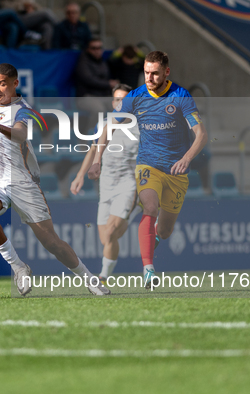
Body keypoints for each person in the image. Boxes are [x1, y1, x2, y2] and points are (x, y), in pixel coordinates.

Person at [0, 63, 111, 296]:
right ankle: (18, 267)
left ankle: (89, 278)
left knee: (51, 243)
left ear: (15, 84)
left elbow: (20, 134)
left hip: (21, 181)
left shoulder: (23, 109)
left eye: (2, 84)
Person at [90, 51, 208, 289]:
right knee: (150, 206)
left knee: (164, 231)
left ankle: (154, 234)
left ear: (166, 72)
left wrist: (186, 158)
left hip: (176, 171)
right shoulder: (135, 97)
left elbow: (201, 134)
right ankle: (148, 270)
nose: (150, 78)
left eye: (155, 73)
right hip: (147, 165)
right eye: (146, 72)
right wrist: (97, 158)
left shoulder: (180, 96)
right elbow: (109, 126)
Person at [70, 84, 139, 284]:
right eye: (117, 100)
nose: (120, 103)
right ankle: (130, 214)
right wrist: (80, 175)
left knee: (110, 233)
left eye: (124, 100)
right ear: (112, 102)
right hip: (106, 185)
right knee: (106, 239)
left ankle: (103, 277)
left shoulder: (140, 125)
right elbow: (92, 150)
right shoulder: (104, 124)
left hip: (129, 182)